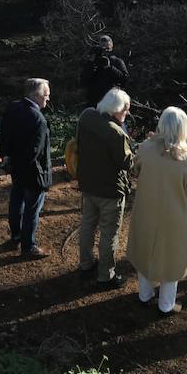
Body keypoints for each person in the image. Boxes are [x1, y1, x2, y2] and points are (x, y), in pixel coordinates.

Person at [126, 107, 187, 315]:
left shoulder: (146, 148)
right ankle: (166, 305)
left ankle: (144, 295)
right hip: (174, 216)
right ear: (184, 128)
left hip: (146, 209)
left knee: (145, 249)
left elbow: (135, 169)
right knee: (171, 258)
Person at [75, 87, 134, 288]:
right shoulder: (116, 133)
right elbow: (128, 164)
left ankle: (85, 264)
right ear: (116, 108)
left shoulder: (86, 117)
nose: (126, 114)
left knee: (88, 225)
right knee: (109, 233)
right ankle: (106, 276)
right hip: (110, 191)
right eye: (125, 110)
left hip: (88, 184)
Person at [0, 78, 53, 259]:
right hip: (33, 172)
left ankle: (16, 235)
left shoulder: (13, 107)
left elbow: (3, 134)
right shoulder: (38, 118)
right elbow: (36, 151)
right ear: (35, 95)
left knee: (17, 200)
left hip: (15, 167)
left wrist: (6, 157)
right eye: (46, 95)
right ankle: (28, 246)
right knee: (32, 210)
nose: (48, 99)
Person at [79, 35, 130, 107]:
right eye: (102, 48)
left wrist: (110, 68)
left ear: (111, 48)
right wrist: (91, 63)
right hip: (95, 102)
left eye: (107, 48)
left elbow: (125, 80)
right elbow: (83, 81)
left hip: (112, 102)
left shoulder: (116, 61)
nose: (105, 51)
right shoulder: (92, 62)